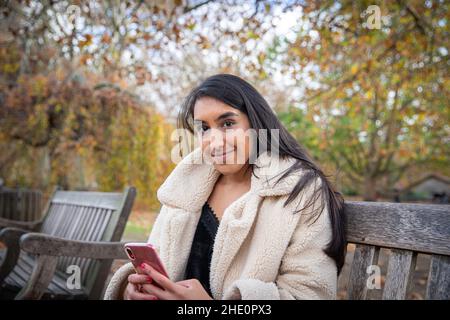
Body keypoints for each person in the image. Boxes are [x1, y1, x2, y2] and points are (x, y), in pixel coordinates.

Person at [104, 74, 346, 300]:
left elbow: (311, 293)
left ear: (257, 125)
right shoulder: (184, 187)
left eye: (228, 123)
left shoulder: (300, 190)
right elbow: (157, 260)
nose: (214, 141)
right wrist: (134, 289)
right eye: (205, 128)